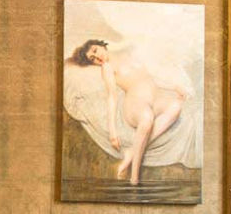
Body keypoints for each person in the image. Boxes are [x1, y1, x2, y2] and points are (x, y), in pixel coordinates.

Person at [69, 39, 191, 185]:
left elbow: (152, 77)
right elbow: (112, 98)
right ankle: (134, 176)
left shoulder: (129, 52)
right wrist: (113, 132)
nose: (97, 57)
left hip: (155, 97)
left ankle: (131, 152)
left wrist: (174, 87)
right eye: (93, 59)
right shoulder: (107, 67)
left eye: (95, 51)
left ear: (101, 45)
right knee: (146, 118)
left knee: (176, 105)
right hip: (135, 102)